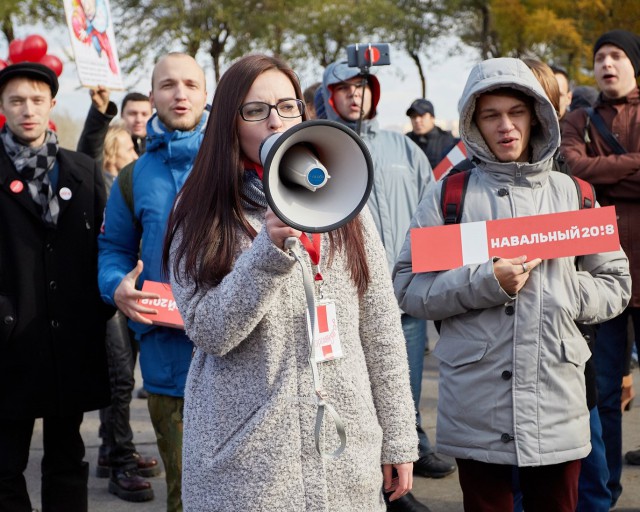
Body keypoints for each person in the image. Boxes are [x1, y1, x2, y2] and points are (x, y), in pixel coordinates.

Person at [162, 52, 418, 512]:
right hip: (247, 465)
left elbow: (379, 325)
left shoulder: (343, 197)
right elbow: (210, 331)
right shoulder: (198, 209)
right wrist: (268, 252)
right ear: (228, 122)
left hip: (345, 452)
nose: (275, 121)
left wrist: (397, 436)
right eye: (256, 110)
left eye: (287, 106)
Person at [393, 57, 631, 511]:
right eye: (490, 115)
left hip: (557, 402)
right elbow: (408, 288)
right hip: (476, 406)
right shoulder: (449, 195)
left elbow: (615, 284)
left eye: (516, 112)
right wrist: (487, 281)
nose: (505, 126)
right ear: (473, 123)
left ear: (537, 114)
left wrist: (563, 294)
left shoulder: (575, 194)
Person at [321, 60, 451, 512]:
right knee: (350, 398)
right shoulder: (318, 148)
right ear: (329, 95)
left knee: (402, 386)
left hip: (401, 297)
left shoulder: (405, 148)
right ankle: (367, 485)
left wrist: (430, 273)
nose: (355, 95)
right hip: (339, 303)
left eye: (362, 86)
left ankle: (403, 472)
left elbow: (429, 210)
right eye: (344, 88)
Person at [0, 62, 113, 511]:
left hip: (71, 339)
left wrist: (99, 304)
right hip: (9, 344)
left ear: (51, 104)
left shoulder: (81, 170)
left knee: (68, 458)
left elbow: (107, 246)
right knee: (5, 465)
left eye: (36, 99)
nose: (27, 109)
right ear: (3, 107)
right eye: (16, 100)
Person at [98, 52, 208, 512]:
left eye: (189, 84)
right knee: (185, 495)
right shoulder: (133, 177)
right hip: (168, 364)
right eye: (167, 85)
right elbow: (114, 251)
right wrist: (116, 285)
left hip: (247, 359)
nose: (179, 93)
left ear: (206, 95)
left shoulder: (244, 165)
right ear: (152, 94)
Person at [560, 29, 640, 508]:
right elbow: (572, 171)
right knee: (604, 392)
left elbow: (591, 173)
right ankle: (606, 491)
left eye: (617, 55)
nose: (607, 63)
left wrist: (603, 173)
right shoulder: (578, 118)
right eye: (600, 56)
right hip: (599, 274)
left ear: (634, 64)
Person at [96, 121, 159, 502]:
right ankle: (118, 459)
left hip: (131, 292)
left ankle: (116, 450)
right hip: (113, 295)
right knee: (119, 378)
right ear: (111, 154)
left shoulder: (128, 183)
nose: (135, 156)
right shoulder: (108, 185)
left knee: (121, 375)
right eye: (128, 151)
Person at [78, 87, 152, 164]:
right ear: (122, 115)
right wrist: (99, 112)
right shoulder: (105, 142)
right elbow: (88, 158)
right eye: (132, 114)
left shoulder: (161, 148)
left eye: (144, 114)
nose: (138, 120)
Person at [405, 98, 456, 169]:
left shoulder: (447, 141)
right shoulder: (405, 141)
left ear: (432, 117)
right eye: (413, 116)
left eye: (421, 115)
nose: (417, 120)